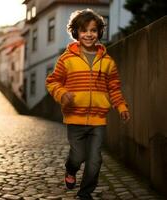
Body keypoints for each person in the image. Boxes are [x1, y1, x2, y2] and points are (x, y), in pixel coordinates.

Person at [45, 9, 130, 200]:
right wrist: (62, 93)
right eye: (84, 30)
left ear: (99, 32)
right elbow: (53, 81)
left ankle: (85, 194)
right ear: (76, 32)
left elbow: (114, 88)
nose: (89, 34)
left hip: (98, 120)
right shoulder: (67, 59)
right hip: (75, 118)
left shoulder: (107, 62)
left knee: (94, 161)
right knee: (77, 157)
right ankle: (70, 169)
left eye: (93, 30)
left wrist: (121, 106)